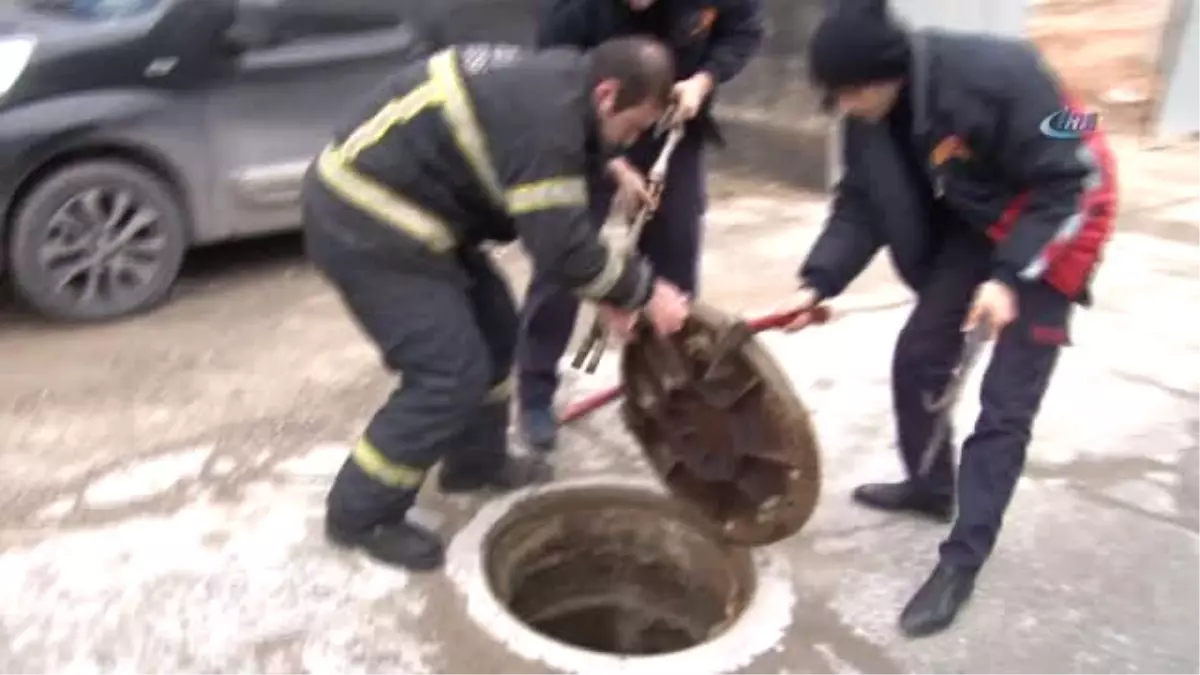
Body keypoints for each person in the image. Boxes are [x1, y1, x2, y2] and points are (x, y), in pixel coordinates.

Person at [777, 1, 1117, 637]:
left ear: (884, 75)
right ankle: (932, 487)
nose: (843, 107)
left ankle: (961, 562)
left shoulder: (1002, 73)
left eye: (848, 93)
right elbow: (860, 203)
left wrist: (1011, 277)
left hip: (1063, 217)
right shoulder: (870, 116)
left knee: (1003, 407)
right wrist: (817, 281)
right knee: (920, 354)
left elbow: (1067, 178)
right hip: (983, 214)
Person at [303, 38, 693, 571]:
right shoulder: (548, 121)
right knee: (447, 371)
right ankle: (361, 513)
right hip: (364, 220)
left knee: (497, 334)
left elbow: (567, 228)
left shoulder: (566, 85)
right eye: (630, 128)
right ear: (607, 94)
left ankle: (473, 462)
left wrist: (606, 292)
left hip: (420, 215)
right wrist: (646, 293)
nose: (629, 143)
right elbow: (561, 248)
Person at [516, 0, 765, 450]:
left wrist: (703, 81)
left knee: (676, 258)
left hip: (672, 121)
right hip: (588, 129)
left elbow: (743, 32)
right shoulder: (568, 14)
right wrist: (613, 161)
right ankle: (535, 395)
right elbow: (554, 85)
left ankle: (674, 389)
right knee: (562, 258)